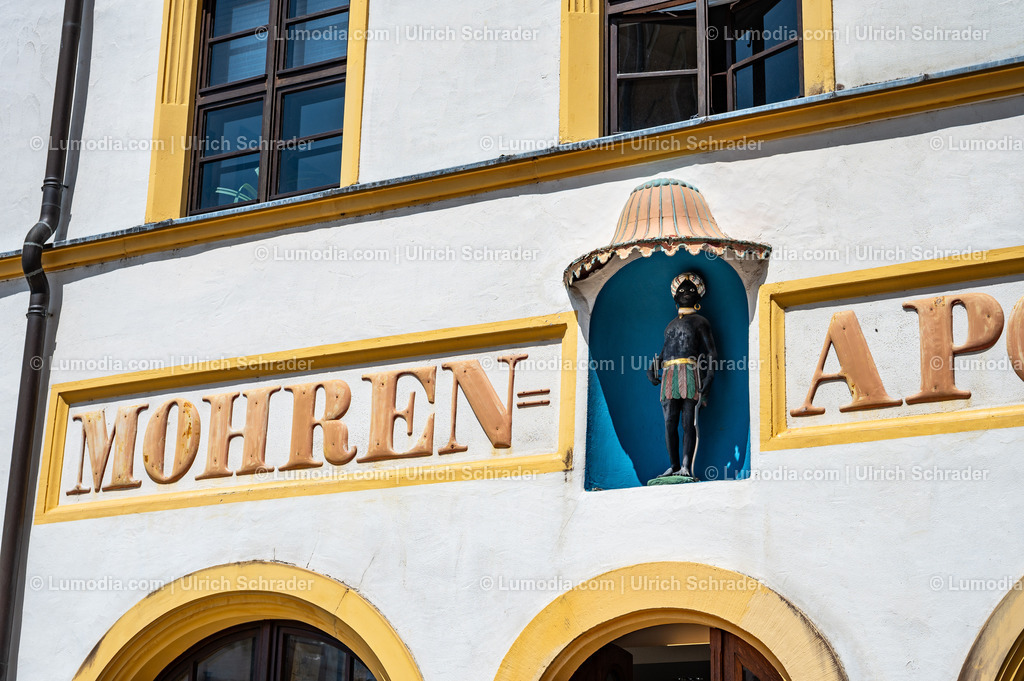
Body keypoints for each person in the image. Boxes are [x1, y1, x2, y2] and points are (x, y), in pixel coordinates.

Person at [646, 272, 718, 481]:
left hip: (689, 372)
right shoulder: (670, 325)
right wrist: (654, 367)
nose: (686, 292)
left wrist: (709, 377)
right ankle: (673, 464)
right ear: (674, 296)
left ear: (699, 296)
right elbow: (666, 351)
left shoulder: (700, 322)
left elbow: (711, 352)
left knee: (688, 422)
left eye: (691, 290)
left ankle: (686, 465)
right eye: (682, 290)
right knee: (669, 422)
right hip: (669, 373)